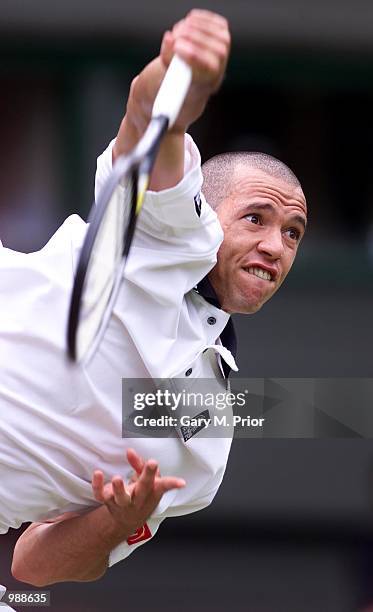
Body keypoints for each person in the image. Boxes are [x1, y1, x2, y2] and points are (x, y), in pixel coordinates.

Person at [1, 9, 307, 587]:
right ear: (205, 212)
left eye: (293, 233)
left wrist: (116, 520)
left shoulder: (209, 433)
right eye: (256, 218)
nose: (276, 245)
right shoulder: (165, 235)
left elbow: (31, 566)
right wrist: (183, 70)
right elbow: (150, 117)